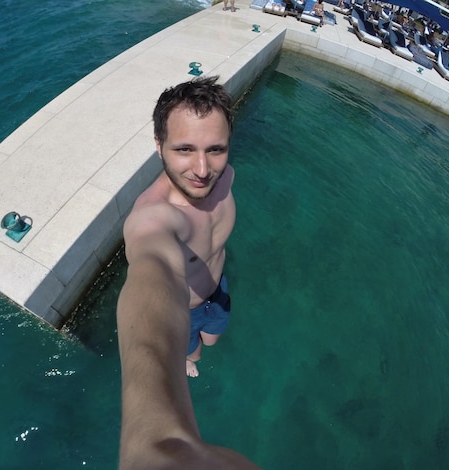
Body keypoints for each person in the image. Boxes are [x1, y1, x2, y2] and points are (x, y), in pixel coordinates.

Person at [116, 77, 260, 469]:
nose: (202, 169)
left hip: (219, 292)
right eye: (184, 149)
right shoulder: (154, 218)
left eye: (216, 149)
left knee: (213, 342)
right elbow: (151, 283)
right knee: (192, 350)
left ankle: (200, 349)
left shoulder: (225, 175)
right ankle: (188, 357)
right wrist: (154, 439)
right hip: (187, 310)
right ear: (159, 145)